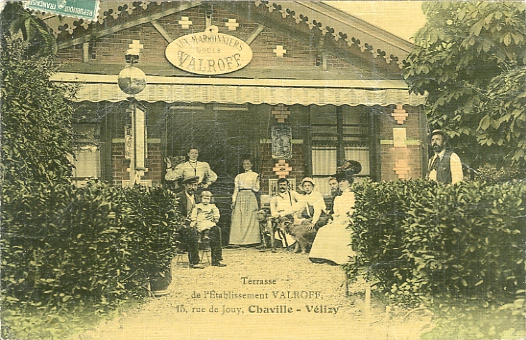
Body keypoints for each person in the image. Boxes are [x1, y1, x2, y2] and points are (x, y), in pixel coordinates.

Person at [175, 176, 226, 268]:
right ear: (186, 185)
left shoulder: (200, 198)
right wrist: (186, 221)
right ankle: (194, 262)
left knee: (216, 229)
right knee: (191, 230)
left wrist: (210, 216)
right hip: (185, 226)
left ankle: (216, 260)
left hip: (201, 224)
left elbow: (209, 209)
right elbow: (176, 213)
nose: (193, 188)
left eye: (195, 185)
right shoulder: (179, 197)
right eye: (191, 185)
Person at [309, 171, 356, 265]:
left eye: (344, 181)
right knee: (324, 229)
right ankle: (323, 256)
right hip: (339, 220)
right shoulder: (338, 198)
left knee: (337, 231)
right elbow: (336, 212)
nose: (341, 183)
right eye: (340, 181)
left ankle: (338, 258)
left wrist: (347, 218)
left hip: (350, 221)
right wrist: (333, 219)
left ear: (349, 183)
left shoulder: (353, 196)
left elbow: (354, 210)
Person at [229, 158, 261, 246]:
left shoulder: (255, 175)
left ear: (251, 165)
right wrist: (234, 200)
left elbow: (257, 188)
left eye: (248, 164)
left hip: (250, 195)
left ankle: (251, 241)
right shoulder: (239, 176)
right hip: (240, 196)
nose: (246, 166)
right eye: (244, 164)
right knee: (239, 218)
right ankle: (237, 241)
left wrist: (255, 182)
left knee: (250, 218)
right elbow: (236, 189)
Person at [269, 177, 303, 247]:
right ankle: (288, 244)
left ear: (287, 186)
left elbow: (302, 202)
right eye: (281, 185)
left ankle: (296, 243)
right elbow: (273, 212)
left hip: (292, 214)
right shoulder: (274, 197)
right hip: (280, 216)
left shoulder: (292, 194)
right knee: (283, 223)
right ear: (278, 186)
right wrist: (279, 215)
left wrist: (293, 209)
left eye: (284, 185)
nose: (282, 187)